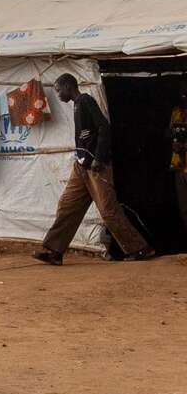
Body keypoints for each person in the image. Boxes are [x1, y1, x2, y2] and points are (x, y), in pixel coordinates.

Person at [35, 73, 154, 264]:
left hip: (96, 166)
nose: (58, 95)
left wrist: (99, 157)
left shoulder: (85, 100)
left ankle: (139, 248)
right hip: (81, 165)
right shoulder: (77, 105)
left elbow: (104, 128)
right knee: (67, 206)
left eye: (58, 90)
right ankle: (55, 251)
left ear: (68, 86)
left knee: (108, 210)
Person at [169, 83, 187, 229]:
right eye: (182, 93)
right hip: (179, 164)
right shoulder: (176, 112)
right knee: (184, 207)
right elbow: (169, 132)